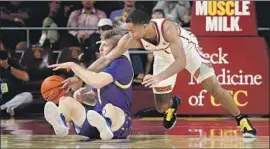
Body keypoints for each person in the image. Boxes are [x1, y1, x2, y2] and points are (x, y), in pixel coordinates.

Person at [62, 9, 257, 138]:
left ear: (145, 26)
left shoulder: (167, 28)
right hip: (163, 56)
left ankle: (243, 120)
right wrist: (79, 77)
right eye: (128, 30)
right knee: (161, 106)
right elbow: (105, 59)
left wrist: (158, 77)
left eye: (134, 30)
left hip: (187, 51)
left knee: (213, 88)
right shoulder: (131, 36)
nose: (131, 34)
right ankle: (173, 104)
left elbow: (181, 62)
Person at [46, 30, 133, 140]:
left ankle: (106, 124)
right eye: (100, 44)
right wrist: (84, 97)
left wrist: (73, 66)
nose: (100, 48)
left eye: (105, 45)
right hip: (96, 119)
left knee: (109, 108)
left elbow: (96, 82)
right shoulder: (102, 65)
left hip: (119, 123)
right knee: (65, 100)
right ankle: (61, 122)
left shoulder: (121, 64)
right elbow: (96, 96)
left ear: (116, 49)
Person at [0, 41, 33, 116]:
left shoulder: (12, 62)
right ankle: (7, 109)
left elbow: (26, 77)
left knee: (28, 96)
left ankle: (3, 108)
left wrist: (8, 67)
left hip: (13, 97)